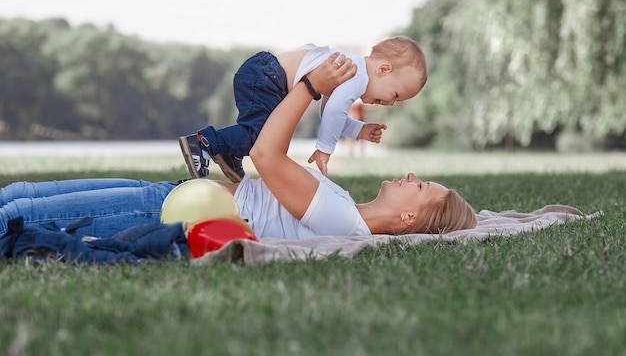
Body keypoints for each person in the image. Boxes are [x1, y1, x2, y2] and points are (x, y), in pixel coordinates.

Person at [0, 54, 476, 242]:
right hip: (173, 193)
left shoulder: (343, 220)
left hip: (162, 210)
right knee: (21, 193)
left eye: (423, 187)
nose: (413, 176)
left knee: (22, 212)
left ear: (410, 219)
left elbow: (268, 156)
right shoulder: (341, 204)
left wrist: (308, 87)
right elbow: (259, 174)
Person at [180, 36, 428, 182]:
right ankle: (203, 142)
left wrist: (358, 131)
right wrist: (325, 148)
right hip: (268, 76)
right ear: (383, 70)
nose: (389, 103)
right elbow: (333, 113)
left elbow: (330, 110)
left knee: (260, 133)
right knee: (262, 137)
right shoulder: (356, 75)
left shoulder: (350, 68)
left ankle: (228, 152)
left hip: (263, 73)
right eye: (394, 95)